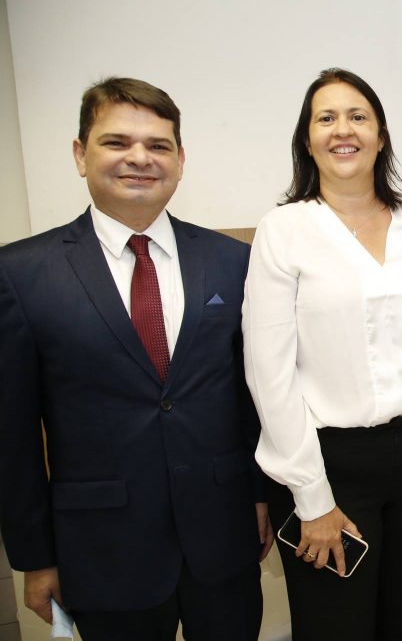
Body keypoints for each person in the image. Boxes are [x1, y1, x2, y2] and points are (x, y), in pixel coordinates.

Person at [0, 77, 270, 640]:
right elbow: (13, 434)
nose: (139, 158)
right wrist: (34, 557)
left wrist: (262, 497)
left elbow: (253, 395)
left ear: (180, 159)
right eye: (117, 142)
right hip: (101, 550)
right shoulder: (21, 274)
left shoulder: (233, 262)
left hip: (223, 541)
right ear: (80, 154)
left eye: (159, 145)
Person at [242, 68, 402, 640]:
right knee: (336, 626)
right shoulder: (283, 230)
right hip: (330, 464)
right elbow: (269, 372)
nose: (345, 130)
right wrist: (311, 498)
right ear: (307, 139)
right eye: (327, 118)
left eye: (358, 116)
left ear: (381, 135)